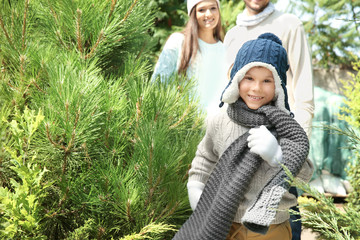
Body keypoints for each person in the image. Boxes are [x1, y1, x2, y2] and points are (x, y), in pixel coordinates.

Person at [172, 33, 314, 240]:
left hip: (272, 226)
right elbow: (205, 159)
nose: (256, 88)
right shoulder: (220, 120)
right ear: (237, 78)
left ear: (278, 86)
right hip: (225, 223)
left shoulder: (287, 128)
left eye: (267, 80)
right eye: (249, 78)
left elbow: (305, 176)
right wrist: (196, 189)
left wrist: (278, 156)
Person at [224, 1, 315, 238]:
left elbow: (304, 94)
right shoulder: (233, 34)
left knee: (279, 224)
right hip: (239, 150)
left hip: (280, 146)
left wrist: (294, 150)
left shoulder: (289, 24)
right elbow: (230, 89)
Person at [152, 0, 228, 115]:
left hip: (214, 128)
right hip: (180, 126)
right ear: (193, 14)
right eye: (201, 10)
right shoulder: (178, 41)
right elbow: (157, 85)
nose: (209, 14)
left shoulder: (225, 50)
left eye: (213, 8)